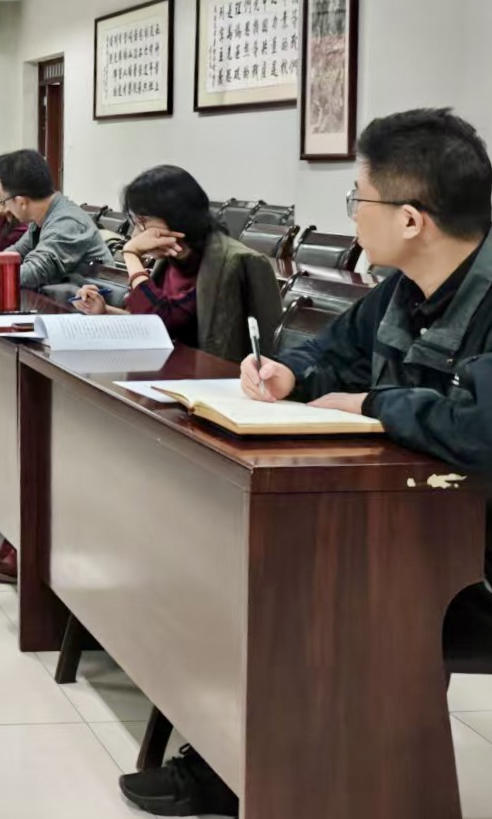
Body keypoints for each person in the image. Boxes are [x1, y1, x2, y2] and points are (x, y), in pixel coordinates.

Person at [126, 108, 492, 819]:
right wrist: (289, 373)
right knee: (248, 555)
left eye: (360, 198)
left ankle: (264, 772)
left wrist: (375, 404)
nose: (353, 215)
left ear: (410, 219)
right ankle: (238, 761)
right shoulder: (400, 290)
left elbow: (480, 427)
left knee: (295, 584)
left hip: (474, 565)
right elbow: (330, 351)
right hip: (412, 524)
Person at [70, 164, 283, 356]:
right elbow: (155, 324)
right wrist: (104, 311)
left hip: (213, 378)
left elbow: (162, 321)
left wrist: (131, 255)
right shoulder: (172, 258)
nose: (136, 234)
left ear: (175, 215)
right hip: (172, 369)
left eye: (143, 222)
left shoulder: (232, 263)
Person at [0, 149, 108, 288]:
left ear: (21, 202)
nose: (3, 205)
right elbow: (13, 256)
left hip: (89, 308)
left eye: (4, 200)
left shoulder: (66, 222)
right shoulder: (42, 218)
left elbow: (31, 273)